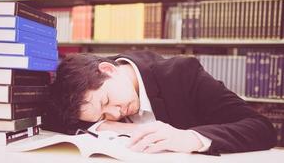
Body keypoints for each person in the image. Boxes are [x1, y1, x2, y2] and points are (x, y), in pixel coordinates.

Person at [45, 50, 276, 155]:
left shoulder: (183, 74)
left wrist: (190, 138)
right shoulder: (89, 93)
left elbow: (262, 128)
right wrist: (104, 125)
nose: (114, 114)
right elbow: (50, 116)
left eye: (106, 101)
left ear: (108, 69)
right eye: (103, 114)